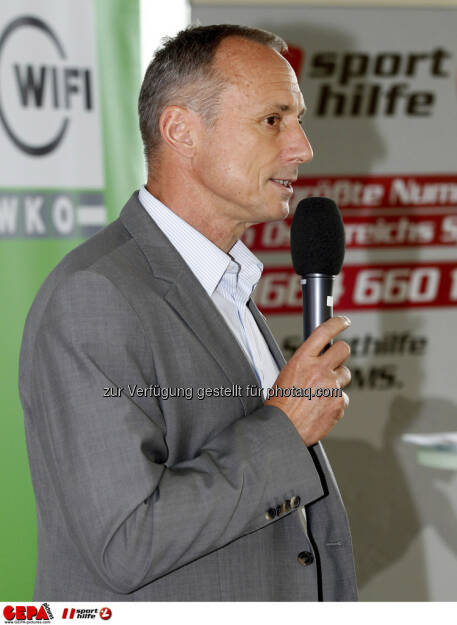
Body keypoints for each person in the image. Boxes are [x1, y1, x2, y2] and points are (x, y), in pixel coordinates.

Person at [19, 24, 357, 601]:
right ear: (181, 130)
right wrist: (285, 428)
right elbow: (126, 542)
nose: (302, 147)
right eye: (273, 120)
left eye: (296, 119)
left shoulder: (224, 279)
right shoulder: (95, 296)